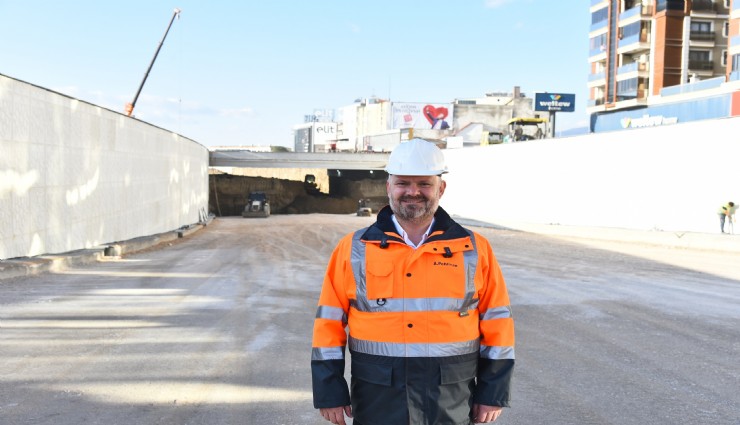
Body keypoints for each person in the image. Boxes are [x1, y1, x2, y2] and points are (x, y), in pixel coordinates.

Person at [311, 138, 515, 425]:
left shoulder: (474, 248)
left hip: (450, 395)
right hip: (377, 394)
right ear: (389, 187)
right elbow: (328, 325)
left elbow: (498, 322)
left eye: (424, 184)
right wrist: (329, 390)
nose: (413, 192)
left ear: (440, 188)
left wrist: (493, 391)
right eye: (403, 183)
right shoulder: (354, 248)